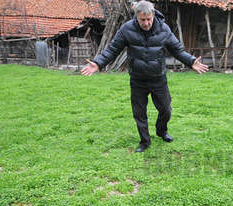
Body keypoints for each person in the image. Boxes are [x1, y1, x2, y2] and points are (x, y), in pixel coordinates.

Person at [81, 0, 208, 152]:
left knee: (166, 110)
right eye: (143, 20)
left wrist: (191, 61)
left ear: (153, 16)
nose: (146, 23)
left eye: (149, 19)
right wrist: (98, 63)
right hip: (137, 80)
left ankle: (162, 131)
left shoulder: (163, 29)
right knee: (139, 113)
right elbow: (112, 50)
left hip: (158, 79)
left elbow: (177, 50)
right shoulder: (126, 29)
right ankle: (145, 141)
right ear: (137, 17)